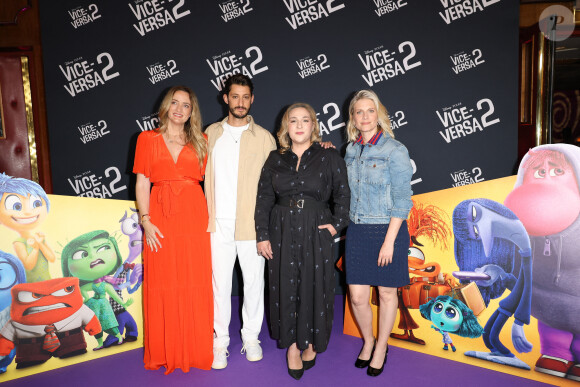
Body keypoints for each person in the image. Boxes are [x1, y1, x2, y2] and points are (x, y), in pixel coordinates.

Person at [255, 102, 350, 380]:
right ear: (286, 127)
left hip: (315, 228)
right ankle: (294, 346)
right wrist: (262, 235)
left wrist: (334, 227)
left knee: (314, 285)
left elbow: (343, 196)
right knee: (285, 286)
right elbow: (263, 199)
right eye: (293, 120)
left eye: (305, 120)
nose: (299, 125)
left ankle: (310, 341)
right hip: (281, 228)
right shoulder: (275, 158)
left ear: (313, 126)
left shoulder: (329, 156)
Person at [133, 86, 213, 373]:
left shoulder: (202, 140)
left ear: (193, 112)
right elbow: (142, 183)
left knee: (194, 280)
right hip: (160, 217)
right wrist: (145, 219)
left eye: (187, 106)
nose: (180, 109)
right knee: (164, 281)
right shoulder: (147, 139)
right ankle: (167, 351)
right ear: (165, 106)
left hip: (193, 216)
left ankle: (194, 350)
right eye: (175, 103)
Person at [205, 74, 276, 369]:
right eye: (235, 96)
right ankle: (219, 342)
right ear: (226, 98)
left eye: (245, 97)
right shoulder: (209, 134)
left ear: (252, 100)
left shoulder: (264, 138)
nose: (240, 102)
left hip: (252, 225)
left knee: (254, 284)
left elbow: (278, 181)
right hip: (218, 224)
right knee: (219, 286)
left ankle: (251, 338)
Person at [344, 90, 413, 377]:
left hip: (389, 229)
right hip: (358, 230)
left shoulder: (395, 151)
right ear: (353, 117)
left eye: (370, 111)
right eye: (358, 112)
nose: (364, 116)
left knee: (386, 293)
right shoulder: (349, 149)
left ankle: (382, 347)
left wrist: (389, 242)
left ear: (379, 114)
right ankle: (369, 340)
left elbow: (402, 199)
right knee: (358, 297)